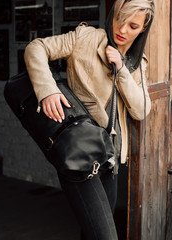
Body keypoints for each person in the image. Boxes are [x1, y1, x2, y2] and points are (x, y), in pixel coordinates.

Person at [24, 0, 154, 239]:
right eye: (119, 20)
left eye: (133, 26)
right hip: (80, 153)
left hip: (110, 159)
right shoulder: (85, 37)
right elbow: (36, 47)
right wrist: (48, 90)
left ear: (143, 29)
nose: (123, 30)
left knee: (91, 232)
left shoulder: (137, 63)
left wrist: (122, 70)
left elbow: (140, 110)